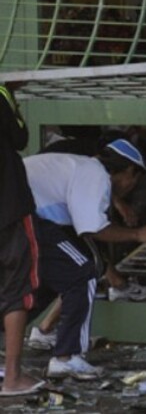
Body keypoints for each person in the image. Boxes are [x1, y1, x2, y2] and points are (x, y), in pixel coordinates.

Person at [23, 138, 146, 380]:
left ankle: (50, 343)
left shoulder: (80, 167)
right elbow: (92, 229)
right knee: (83, 273)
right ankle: (67, 357)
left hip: (19, 217)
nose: (131, 188)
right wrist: (138, 234)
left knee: (47, 280)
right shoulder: (95, 173)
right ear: (129, 172)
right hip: (26, 218)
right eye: (135, 181)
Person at [0, 83, 46, 396]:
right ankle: (12, 377)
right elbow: (20, 138)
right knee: (16, 290)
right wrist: (9, 94)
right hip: (7, 208)